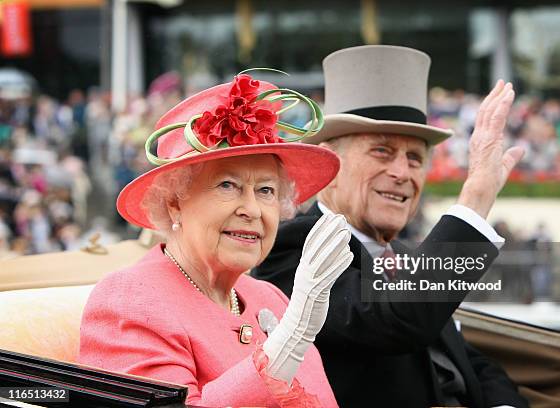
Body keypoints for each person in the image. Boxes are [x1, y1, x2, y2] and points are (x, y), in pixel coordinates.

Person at [252, 45, 529, 407]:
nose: (402, 173)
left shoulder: (403, 258)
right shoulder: (295, 247)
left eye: (414, 158)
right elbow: (398, 319)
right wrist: (476, 196)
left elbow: (471, 362)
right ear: (330, 166)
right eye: (382, 151)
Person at [78, 73, 354, 407]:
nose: (252, 209)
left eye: (266, 190)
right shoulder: (129, 299)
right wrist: (287, 342)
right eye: (228, 185)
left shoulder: (270, 297)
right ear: (174, 202)